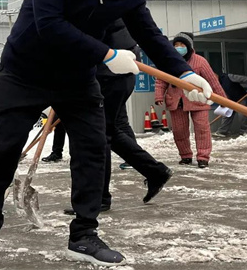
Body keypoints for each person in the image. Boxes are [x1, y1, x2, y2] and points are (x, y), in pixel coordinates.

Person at [0, 0, 214, 267]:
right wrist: (107, 54)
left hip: (77, 76)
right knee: (3, 151)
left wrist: (185, 73)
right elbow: (49, 24)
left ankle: (84, 234)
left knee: (93, 149)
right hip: (25, 71)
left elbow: (149, 34)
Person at [63, 19, 172, 216]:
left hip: (108, 75)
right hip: (116, 74)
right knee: (108, 131)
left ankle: (98, 198)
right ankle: (155, 171)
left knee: (98, 134)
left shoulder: (97, 8)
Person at [155, 32, 226, 169]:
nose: (178, 47)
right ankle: (185, 155)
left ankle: (203, 157)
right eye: (176, 45)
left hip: (198, 101)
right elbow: (161, 79)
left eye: (182, 45)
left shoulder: (200, 61)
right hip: (176, 101)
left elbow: (212, 81)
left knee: (202, 129)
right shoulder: (169, 61)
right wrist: (159, 96)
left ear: (189, 46)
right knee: (179, 131)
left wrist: (222, 99)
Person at [213, 73, 247, 138]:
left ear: (216, 76)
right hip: (230, 100)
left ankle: (244, 131)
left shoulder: (228, 77)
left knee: (242, 114)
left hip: (240, 97)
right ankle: (222, 131)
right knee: (227, 114)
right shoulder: (215, 85)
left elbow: (246, 79)